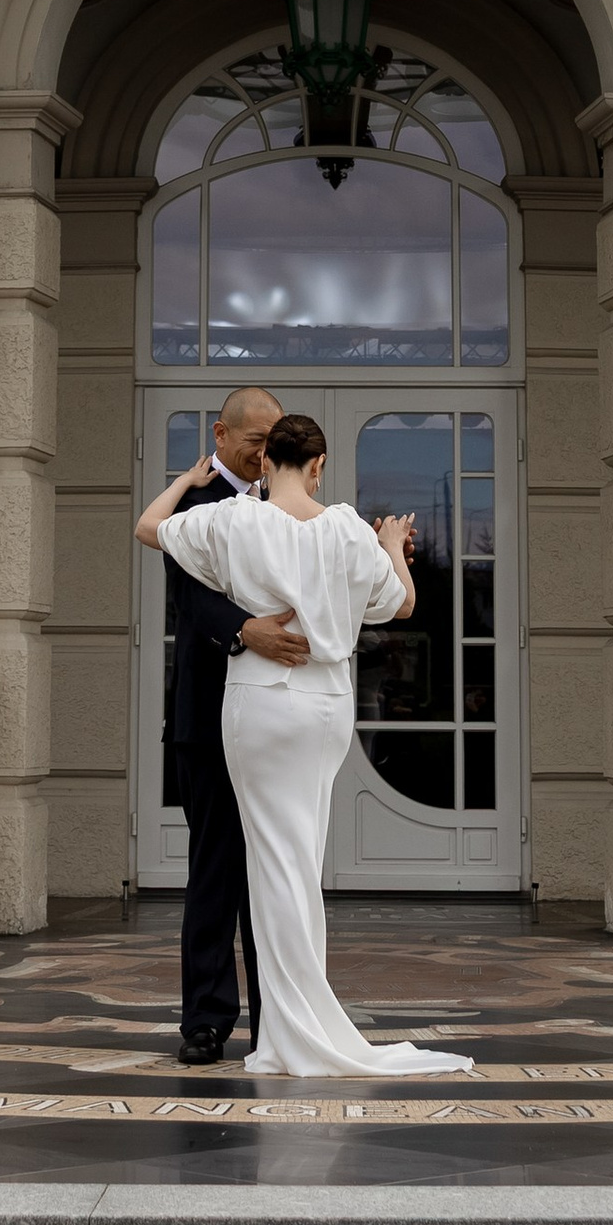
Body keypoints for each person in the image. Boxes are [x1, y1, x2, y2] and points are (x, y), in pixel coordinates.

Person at [139, 410, 475, 1079]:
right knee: (298, 862)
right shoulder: (349, 528)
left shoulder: (236, 520)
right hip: (323, 707)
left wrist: (182, 481)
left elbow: (149, 528)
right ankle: (293, 1019)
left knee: (270, 864)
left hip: (259, 704)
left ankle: (287, 1025)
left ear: (265, 463)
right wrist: (389, 544)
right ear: (319, 465)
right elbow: (401, 605)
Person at [159, 384, 309, 1065]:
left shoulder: (282, 503)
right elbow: (190, 595)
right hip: (208, 717)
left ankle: (278, 1024)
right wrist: (245, 631)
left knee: (274, 873)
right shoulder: (191, 501)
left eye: (275, 441)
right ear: (221, 434)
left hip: (274, 719)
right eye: (256, 441)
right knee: (216, 871)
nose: (266, 452)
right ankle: (206, 1020)